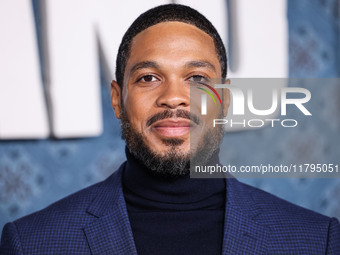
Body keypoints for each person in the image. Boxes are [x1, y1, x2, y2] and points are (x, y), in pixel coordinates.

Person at [1, 4, 339, 254]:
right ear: (118, 99)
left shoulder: (316, 240)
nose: (174, 98)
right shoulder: (31, 243)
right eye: (149, 77)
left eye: (197, 79)